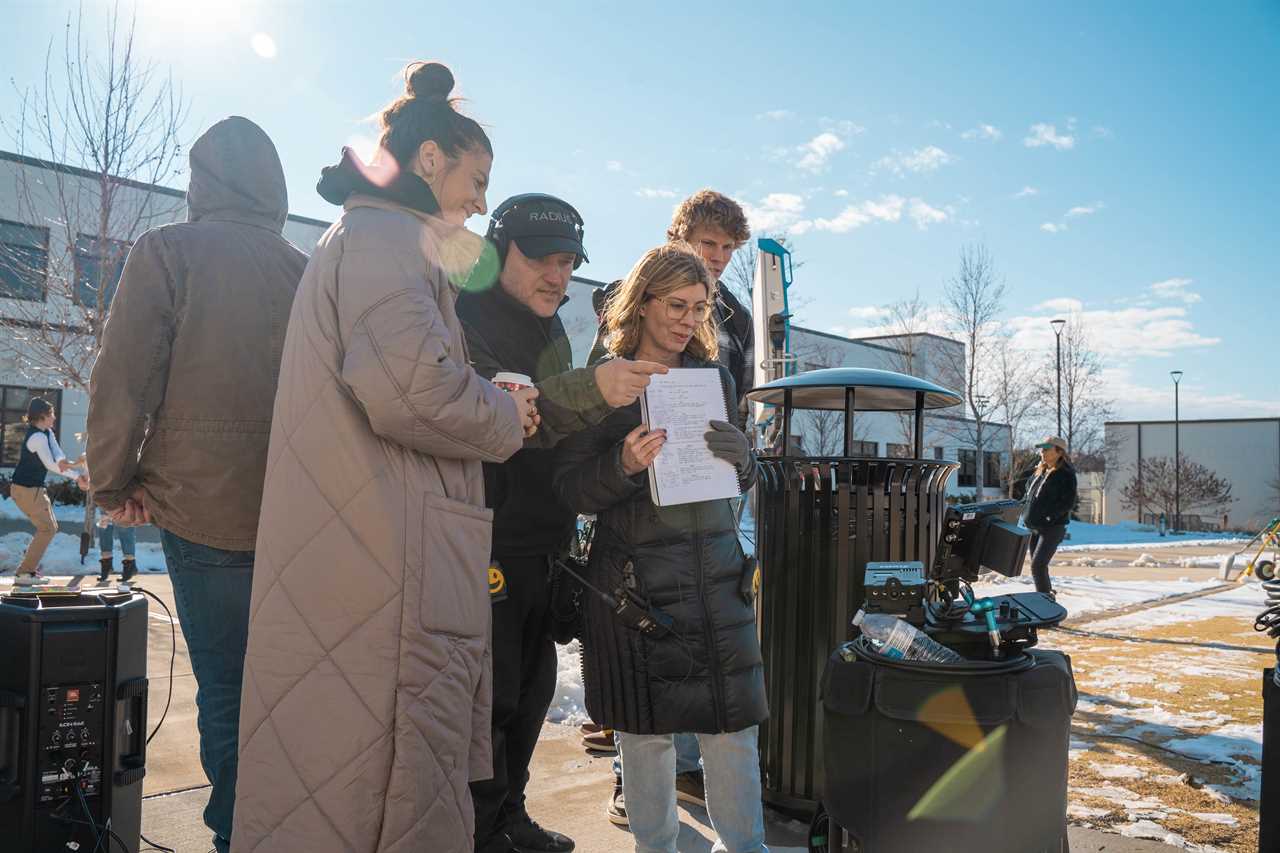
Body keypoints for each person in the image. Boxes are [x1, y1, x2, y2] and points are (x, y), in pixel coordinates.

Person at [228, 63, 539, 853]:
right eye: (477, 178)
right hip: (385, 570)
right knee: (381, 793)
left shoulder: (375, 238)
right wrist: (505, 412)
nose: (479, 200)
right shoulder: (387, 240)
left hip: (372, 554)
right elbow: (412, 391)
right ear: (431, 159)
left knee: (348, 788)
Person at [86, 115, 307, 853]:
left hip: (200, 508)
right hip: (295, 511)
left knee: (225, 687)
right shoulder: (301, 269)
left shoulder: (167, 252)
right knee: (285, 687)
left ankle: (238, 837)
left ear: (202, 183)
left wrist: (114, 479)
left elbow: (123, 378)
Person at [457, 194, 668, 853]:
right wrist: (591, 393)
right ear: (499, 249)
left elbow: (556, 429)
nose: (558, 274)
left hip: (541, 541)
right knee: (487, 700)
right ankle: (476, 829)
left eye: (569, 261)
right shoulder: (464, 312)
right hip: (483, 535)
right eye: (543, 259)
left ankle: (509, 814)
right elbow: (509, 415)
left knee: (531, 688)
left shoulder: (550, 327)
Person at [555, 243, 768, 853]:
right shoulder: (605, 379)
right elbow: (568, 487)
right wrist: (622, 463)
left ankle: (744, 848)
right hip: (638, 592)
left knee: (733, 732)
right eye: (676, 304)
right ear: (642, 302)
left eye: (699, 308)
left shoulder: (716, 377)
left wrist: (744, 458)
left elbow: (737, 479)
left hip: (717, 580)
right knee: (644, 738)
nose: (687, 319)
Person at [8, 397, 87, 581]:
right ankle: (24, 573)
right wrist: (77, 477)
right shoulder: (36, 437)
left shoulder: (46, 432)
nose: (54, 418)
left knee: (49, 528)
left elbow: (57, 453)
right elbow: (51, 465)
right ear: (43, 416)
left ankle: (26, 571)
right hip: (26, 490)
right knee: (47, 529)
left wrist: (65, 462)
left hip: (33, 490)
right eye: (52, 414)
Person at [1020, 436, 1078, 596]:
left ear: (1059, 452)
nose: (1042, 452)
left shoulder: (1065, 474)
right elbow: (1028, 494)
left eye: (1046, 449)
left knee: (1038, 565)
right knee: (1037, 567)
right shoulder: (1040, 471)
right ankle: (1045, 599)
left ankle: (1046, 604)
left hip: (1052, 528)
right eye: (1041, 449)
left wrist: (1048, 518)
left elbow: (1067, 502)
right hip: (1034, 527)